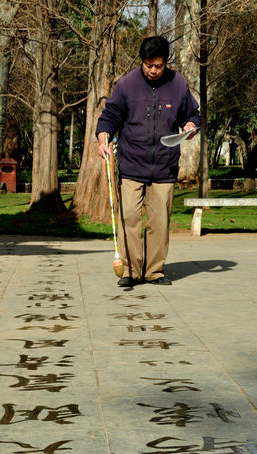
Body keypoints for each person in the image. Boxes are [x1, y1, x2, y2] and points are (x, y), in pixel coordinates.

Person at [96, 36, 200, 287]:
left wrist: (190, 125)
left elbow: (193, 114)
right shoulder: (127, 85)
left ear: (166, 63)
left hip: (164, 165)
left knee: (159, 221)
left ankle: (154, 271)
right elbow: (110, 115)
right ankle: (130, 270)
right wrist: (103, 136)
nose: (153, 70)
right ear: (142, 62)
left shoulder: (178, 85)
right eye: (148, 65)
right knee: (130, 217)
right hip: (132, 163)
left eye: (158, 65)